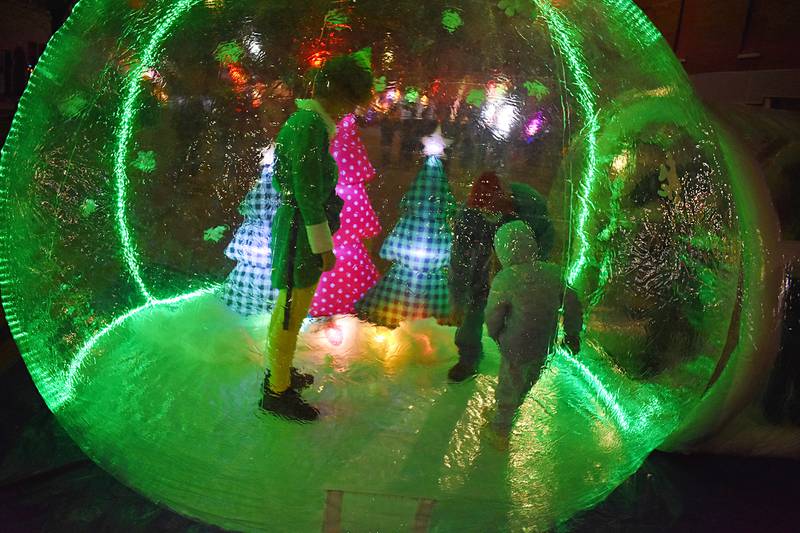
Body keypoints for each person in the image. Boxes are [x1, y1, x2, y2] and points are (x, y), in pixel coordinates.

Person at [261, 53, 373, 422]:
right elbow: (308, 190)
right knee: (292, 309)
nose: (348, 111)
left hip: (298, 227)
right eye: (349, 101)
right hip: (299, 232)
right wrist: (323, 247)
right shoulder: (310, 124)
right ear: (337, 94)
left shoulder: (308, 121)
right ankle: (277, 391)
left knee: (290, 306)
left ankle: (279, 374)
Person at [447, 173, 554, 382]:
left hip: (521, 258)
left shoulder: (529, 206)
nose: (489, 212)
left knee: (522, 308)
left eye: (494, 209)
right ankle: (468, 358)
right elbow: (461, 261)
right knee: (474, 301)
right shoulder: (468, 216)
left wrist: (532, 270)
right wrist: (458, 298)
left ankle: (524, 359)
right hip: (483, 257)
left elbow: (546, 236)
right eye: (484, 210)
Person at [485, 221, 583, 436]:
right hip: (544, 345)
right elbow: (573, 303)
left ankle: (500, 429)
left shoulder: (505, 279)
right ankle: (513, 408)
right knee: (528, 379)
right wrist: (572, 333)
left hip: (515, 346)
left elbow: (493, 314)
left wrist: (497, 335)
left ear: (501, 249)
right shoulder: (553, 272)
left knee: (508, 387)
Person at [447, 171, 515, 382]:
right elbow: (462, 259)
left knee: (474, 320)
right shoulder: (473, 219)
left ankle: (471, 359)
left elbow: (461, 259)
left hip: (486, 282)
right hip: (481, 283)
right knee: (473, 320)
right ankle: (469, 359)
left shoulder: (489, 219)